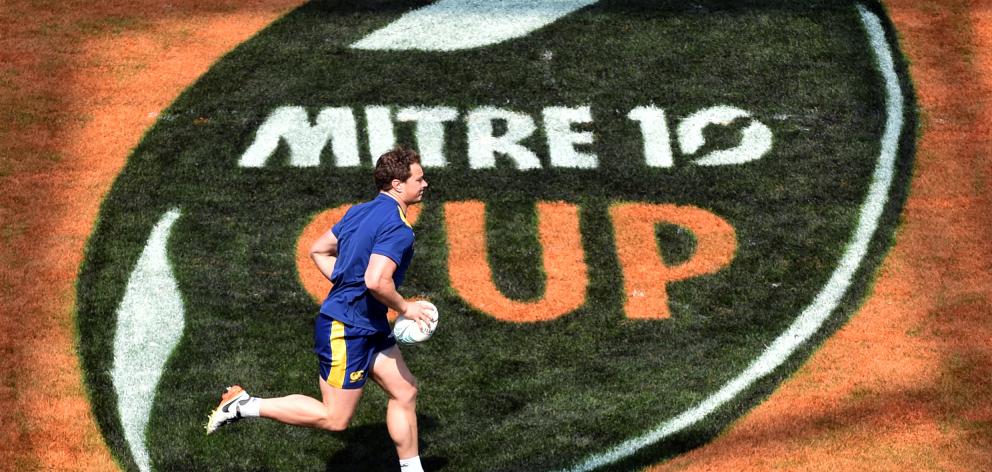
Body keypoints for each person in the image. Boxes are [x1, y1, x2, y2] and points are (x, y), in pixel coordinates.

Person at [206, 147, 434, 472]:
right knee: (334, 419)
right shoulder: (399, 229)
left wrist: (345, 280)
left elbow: (319, 250)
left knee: (405, 390)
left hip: (368, 324)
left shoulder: (359, 211)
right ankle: (243, 405)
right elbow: (376, 281)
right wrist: (405, 308)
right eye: (419, 178)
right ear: (398, 184)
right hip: (347, 329)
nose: (425, 184)